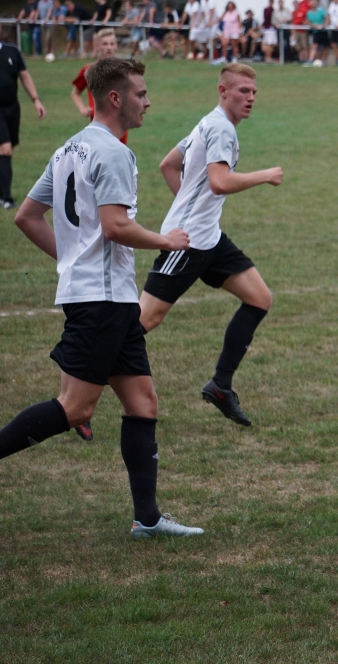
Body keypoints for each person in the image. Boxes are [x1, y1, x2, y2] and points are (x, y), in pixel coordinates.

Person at [8, 57, 203, 540]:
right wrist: (168, 240)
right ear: (114, 97)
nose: (147, 101)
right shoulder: (114, 152)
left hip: (107, 298)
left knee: (142, 402)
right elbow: (116, 226)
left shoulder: (67, 149)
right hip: (102, 301)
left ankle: (148, 519)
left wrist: (71, 260)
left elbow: (26, 217)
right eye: (140, 93)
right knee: (76, 408)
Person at [139, 64, 282, 427]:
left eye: (253, 92)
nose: (250, 98)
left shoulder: (210, 122)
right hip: (185, 242)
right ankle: (81, 384)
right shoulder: (220, 127)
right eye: (242, 91)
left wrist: (191, 204)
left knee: (259, 298)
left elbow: (169, 165)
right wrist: (264, 175)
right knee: (144, 320)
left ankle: (220, 385)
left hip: (209, 238)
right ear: (222, 90)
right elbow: (218, 182)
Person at [0, 41, 45, 209]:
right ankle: (7, 199)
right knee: (5, 148)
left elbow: (24, 76)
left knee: (6, 149)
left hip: (12, 108)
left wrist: (36, 100)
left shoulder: (12, 51)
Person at [72, 29, 127, 146]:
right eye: (105, 44)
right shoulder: (89, 70)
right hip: (98, 124)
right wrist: (83, 109)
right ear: (97, 46)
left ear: (116, 46)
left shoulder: (124, 70)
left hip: (119, 122)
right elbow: (75, 93)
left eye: (112, 44)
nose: (109, 47)